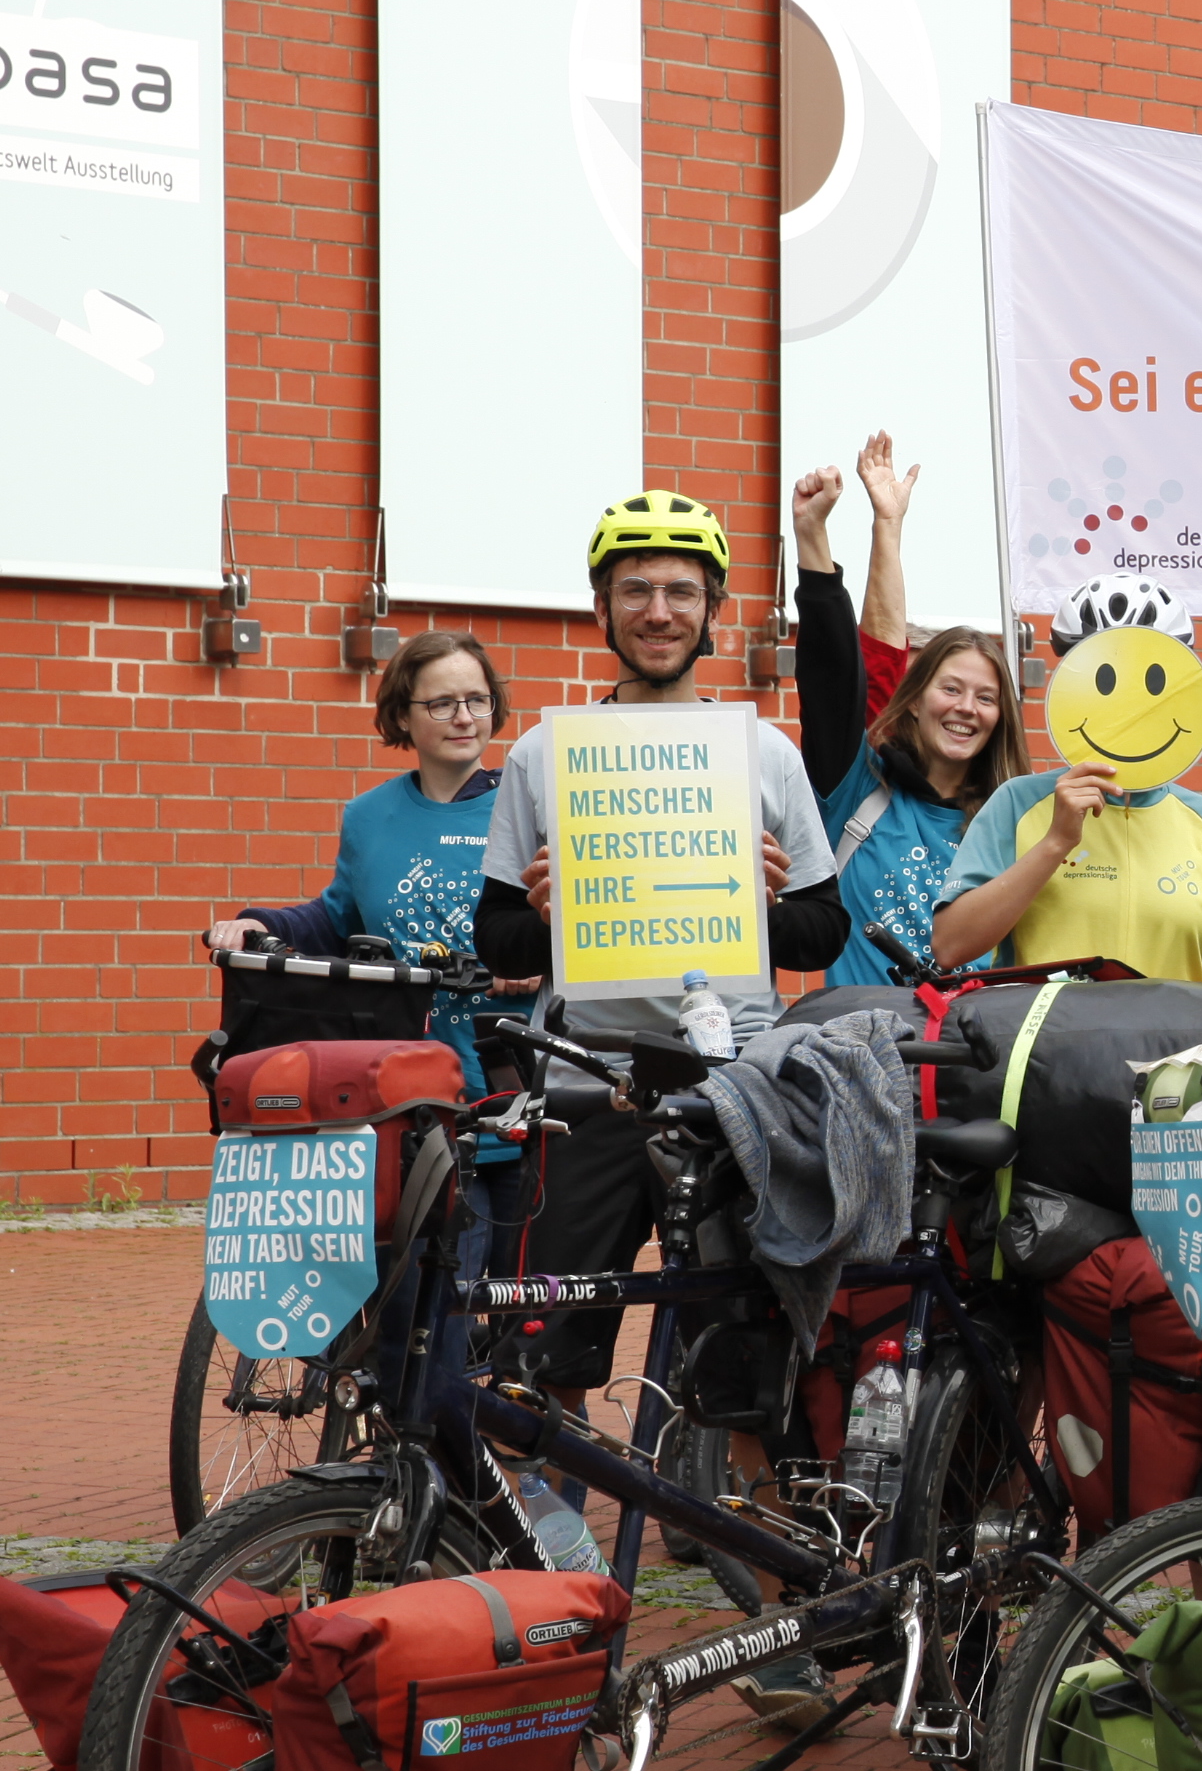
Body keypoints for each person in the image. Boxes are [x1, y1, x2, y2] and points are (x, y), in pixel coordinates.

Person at [474, 492, 850, 1345]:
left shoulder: (767, 753)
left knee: (739, 1353)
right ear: (600, 607)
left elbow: (823, 929)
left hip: (731, 1084)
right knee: (543, 1354)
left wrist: (766, 906)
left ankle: (729, 1481)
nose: (658, 611)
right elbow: (495, 936)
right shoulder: (543, 754)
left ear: (714, 609)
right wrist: (541, 919)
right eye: (635, 589)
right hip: (586, 1083)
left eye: (683, 591)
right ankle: (542, 1485)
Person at [207, 631, 529, 1275]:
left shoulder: (526, 809)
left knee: (510, 1307)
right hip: (404, 1090)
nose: (464, 717)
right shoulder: (368, 816)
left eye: (477, 699)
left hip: (508, 1086)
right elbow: (336, 916)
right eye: (442, 703)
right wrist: (254, 923)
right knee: (411, 1304)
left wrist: (544, 957)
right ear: (403, 714)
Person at [932, 576, 1202, 987]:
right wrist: (1055, 842)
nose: (1127, 705)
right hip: (1045, 1049)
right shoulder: (1018, 802)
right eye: (1105, 681)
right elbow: (951, 946)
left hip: (1169, 1052)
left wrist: (1184, 1034)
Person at [792, 443, 1026, 987]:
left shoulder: (1012, 827)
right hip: (863, 1052)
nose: (967, 707)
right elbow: (851, 670)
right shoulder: (860, 788)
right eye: (951, 688)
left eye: (986, 697)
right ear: (915, 699)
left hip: (972, 1061)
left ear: (1002, 718)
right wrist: (836, 534)